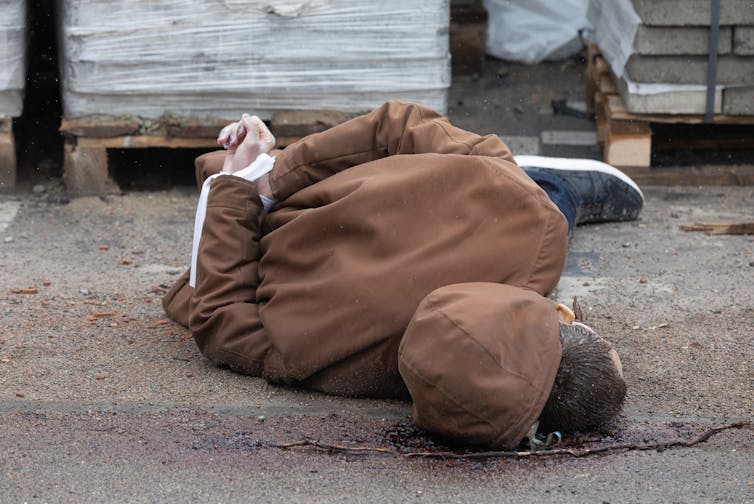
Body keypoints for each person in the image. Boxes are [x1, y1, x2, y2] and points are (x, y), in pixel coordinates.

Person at [162, 101, 640, 449]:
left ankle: (556, 184)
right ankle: (559, 186)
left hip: (265, 211)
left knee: (547, 203)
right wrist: (246, 188)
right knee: (546, 203)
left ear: (559, 310)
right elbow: (220, 319)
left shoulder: (530, 226)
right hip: (237, 237)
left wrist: (256, 183)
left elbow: (398, 125)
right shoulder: (339, 364)